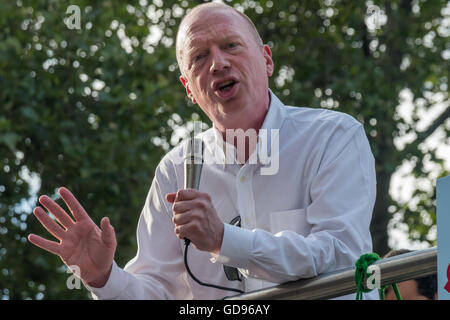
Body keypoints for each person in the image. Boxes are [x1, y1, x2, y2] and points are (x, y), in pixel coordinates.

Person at [28, 2, 377, 299]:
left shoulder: (333, 136)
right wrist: (103, 278)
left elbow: (341, 256)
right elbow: (159, 288)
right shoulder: (174, 169)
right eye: (199, 57)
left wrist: (224, 239)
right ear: (189, 90)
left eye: (231, 46)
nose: (218, 63)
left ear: (267, 59)